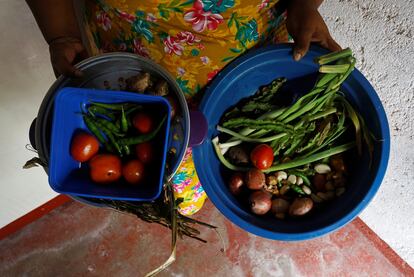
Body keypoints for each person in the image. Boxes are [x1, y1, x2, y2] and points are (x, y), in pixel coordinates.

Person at [27, 0, 341, 215]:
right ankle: (171, 198)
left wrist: (304, 4)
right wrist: (62, 36)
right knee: (163, 166)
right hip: (135, 57)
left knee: (224, 148)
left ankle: (183, 196)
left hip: (243, 54)